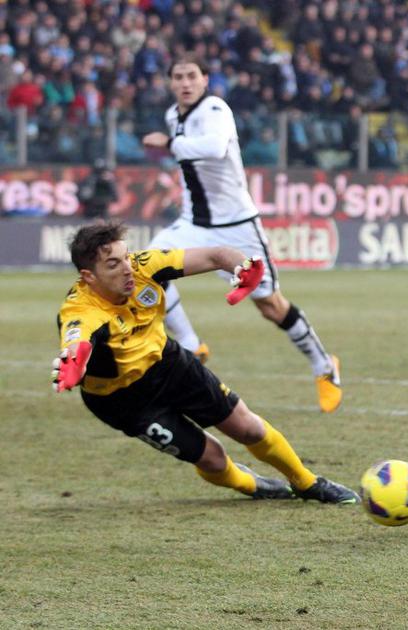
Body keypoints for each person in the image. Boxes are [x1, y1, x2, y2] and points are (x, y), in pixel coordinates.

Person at [52, 222, 359, 504]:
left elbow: (216, 255)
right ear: (88, 276)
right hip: (123, 401)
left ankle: (307, 483)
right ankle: (253, 485)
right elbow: (77, 344)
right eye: (113, 264)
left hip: (168, 365)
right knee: (213, 459)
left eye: (126, 256)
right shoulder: (79, 310)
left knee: (249, 429)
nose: (127, 269)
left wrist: (243, 267)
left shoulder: (144, 265)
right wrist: (73, 366)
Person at [141, 54, 342, 413]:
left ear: (205, 79)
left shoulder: (215, 109)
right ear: (170, 83)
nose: (185, 83)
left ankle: (324, 366)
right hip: (193, 223)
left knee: (270, 306)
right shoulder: (174, 115)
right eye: (178, 77)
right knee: (147, 269)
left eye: (192, 76)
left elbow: (216, 148)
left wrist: (170, 145)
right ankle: (192, 344)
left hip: (237, 227)